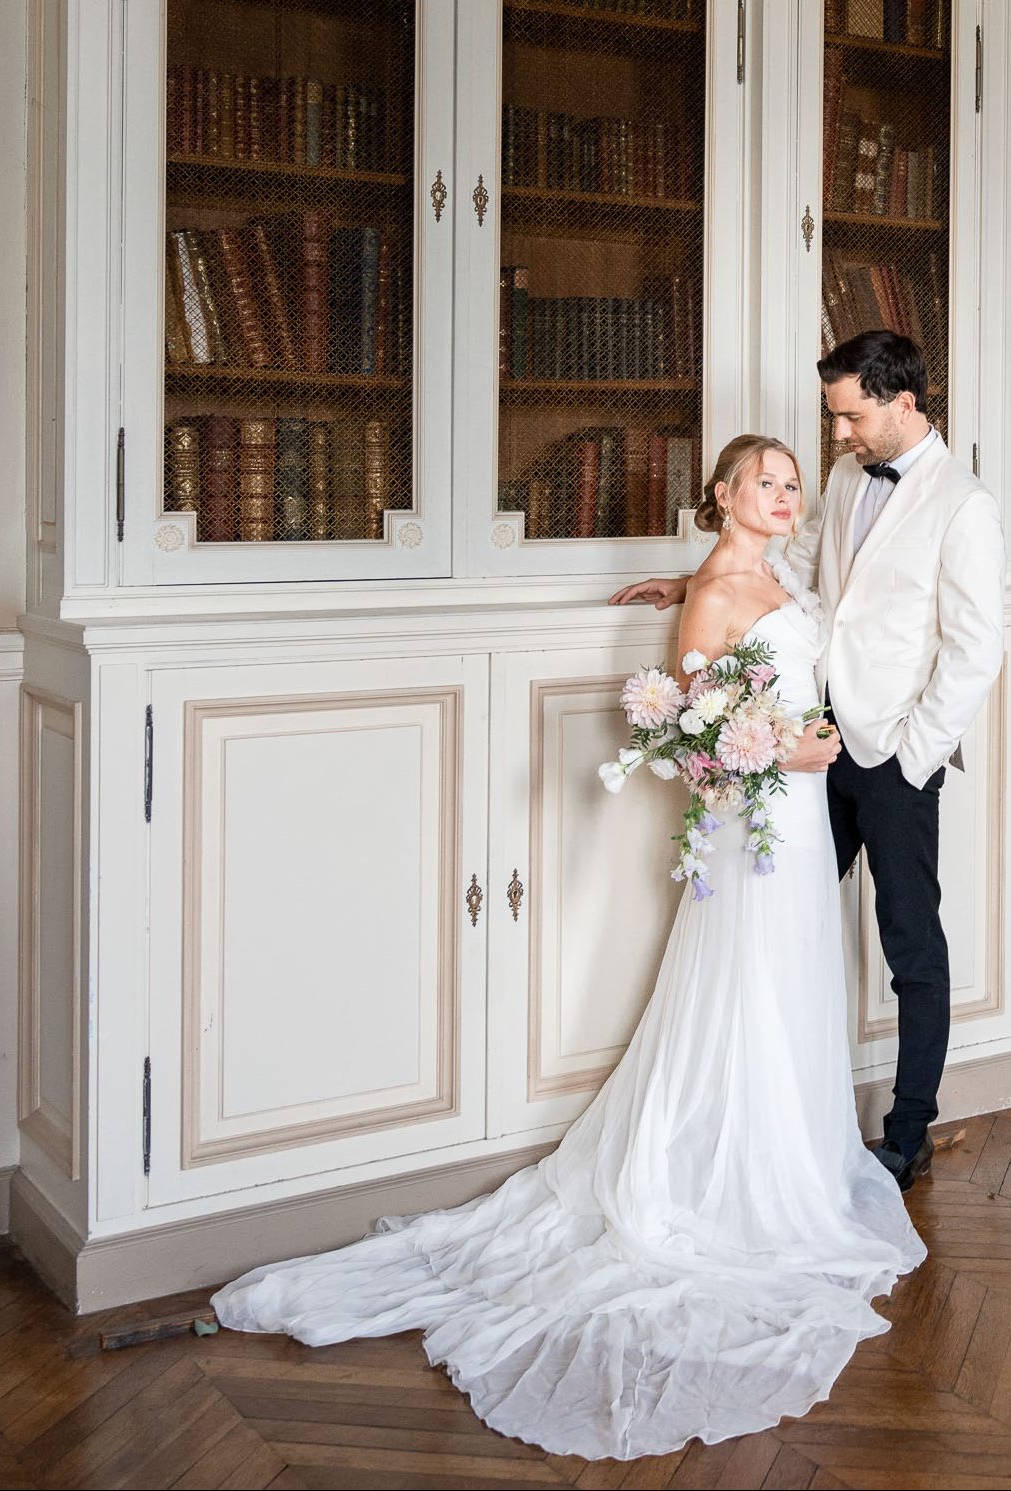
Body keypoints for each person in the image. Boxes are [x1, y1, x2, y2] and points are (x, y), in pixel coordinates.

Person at [213, 435, 925, 1461]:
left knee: (799, 986)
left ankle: (798, 1162)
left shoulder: (762, 574)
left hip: (801, 820)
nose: (781, 498)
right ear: (719, 493)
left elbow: (768, 645)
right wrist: (791, 747)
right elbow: (700, 752)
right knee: (748, 987)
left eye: (787, 485)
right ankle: (736, 1175)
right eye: (761, 483)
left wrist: (764, 691)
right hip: (763, 821)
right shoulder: (720, 594)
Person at [612, 330, 1007, 1189]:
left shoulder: (964, 505)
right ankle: (758, 1118)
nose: (836, 436)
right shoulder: (841, 477)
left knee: (910, 943)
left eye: (849, 416)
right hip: (807, 750)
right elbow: (789, 569)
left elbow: (976, 651)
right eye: (832, 419)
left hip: (895, 755)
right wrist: (696, 587)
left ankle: (909, 1128)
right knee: (770, 926)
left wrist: (910, 758)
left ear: (901, 404)